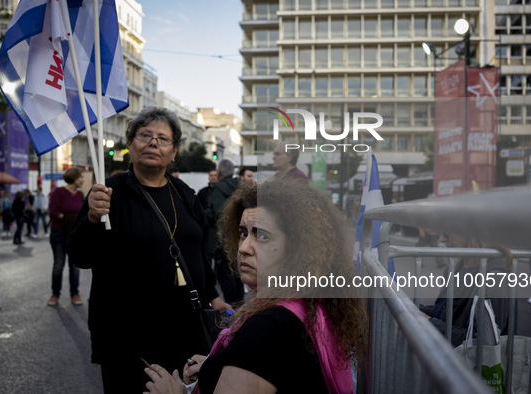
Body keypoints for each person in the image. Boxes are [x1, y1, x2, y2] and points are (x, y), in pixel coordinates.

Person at [143, 178, 368, 394]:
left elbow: (263, 351)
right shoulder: (310, 302)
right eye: (243, 233)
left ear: (298, 249)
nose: (244, 248)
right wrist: (219, 365)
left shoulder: (268, 328)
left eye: (262, 236)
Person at [66, 106, 231, 393]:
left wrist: (215, 298)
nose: (153, 142)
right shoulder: (109, 192)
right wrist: (92, 219)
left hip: (186, 332)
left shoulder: (185, 194)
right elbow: (80, 255)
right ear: (130, 144)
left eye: (163, 138)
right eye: (144, 135)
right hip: (130, 337)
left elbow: (199, 255)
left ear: (174, 150)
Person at [420, 233, 513, 347]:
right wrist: (413, 308)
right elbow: (445, 310)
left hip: (464, 363)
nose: (442, 240)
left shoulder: (494, 278)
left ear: (471, 233)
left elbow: (483, 343)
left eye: (448, 233)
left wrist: (430, 322)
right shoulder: (454, 268)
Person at [206, 159, 244, 305]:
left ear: (220, 172)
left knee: (225, 277)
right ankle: (241, 308)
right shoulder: (239, 187)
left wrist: (204, 214)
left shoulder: (218, 188)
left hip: (222, 241)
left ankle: (231, 313)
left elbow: (219, 213)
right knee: (237, 275)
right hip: (239, 237)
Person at [47, 167, 84, 307]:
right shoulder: (59, 191)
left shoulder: (81, 195)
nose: (83, 179)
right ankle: (55, 294)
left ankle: (75, 293)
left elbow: (83, 213)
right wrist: (68, 218)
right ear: (74, 178)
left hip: (74, 234)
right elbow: (53, 211)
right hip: (59, 232)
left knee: (75, 266)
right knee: (58, 265)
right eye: (81, 177)